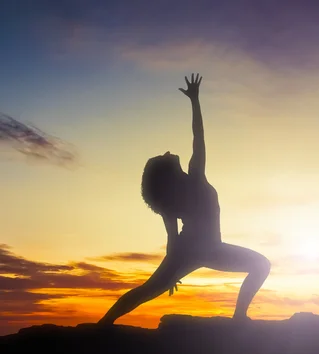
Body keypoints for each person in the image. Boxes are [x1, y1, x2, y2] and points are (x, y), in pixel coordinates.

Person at [98, 74, 271, 324]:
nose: (169, 151)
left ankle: (103, 324)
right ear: (168, 170)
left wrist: (171, 270)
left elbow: (171, 240)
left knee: (147, 291)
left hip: (196, 251)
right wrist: (195, 100)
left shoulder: (175, 197)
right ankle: (239, 317)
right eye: (164, 155)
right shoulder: (196, 178)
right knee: (261, 265)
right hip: (207, 249)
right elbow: (198, 137)